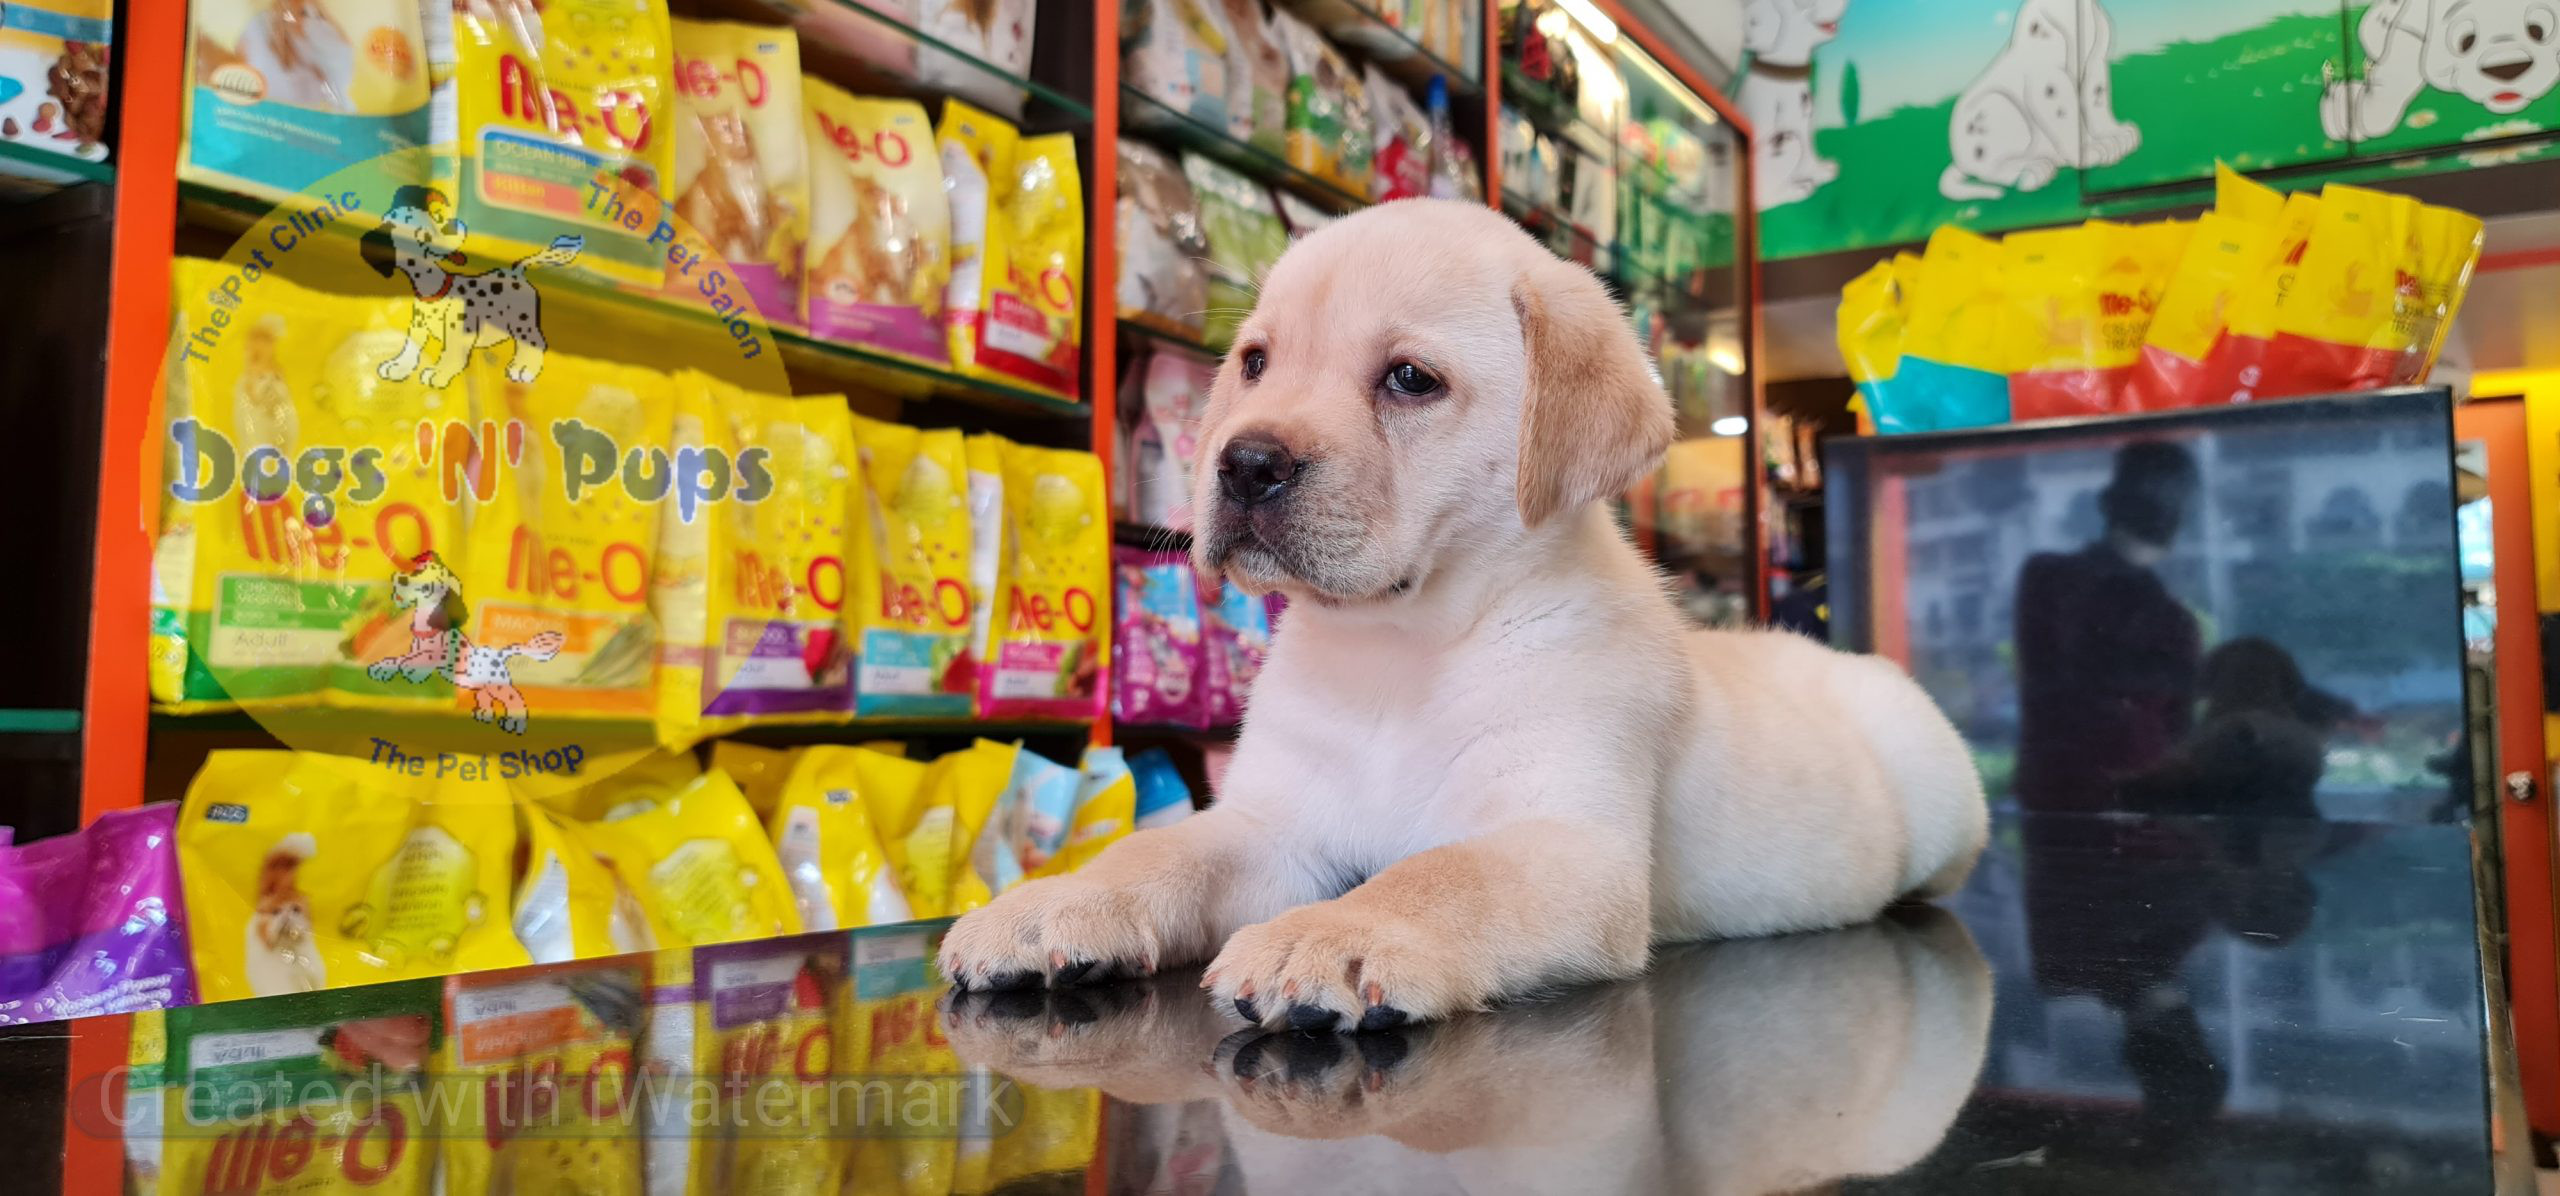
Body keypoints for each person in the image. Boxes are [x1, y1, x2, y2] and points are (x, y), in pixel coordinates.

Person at [2012, 440, 2203, 817]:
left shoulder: (2174, 621)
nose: (2158, 503)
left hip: (2105, 807)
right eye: (2149, 489)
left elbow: (2180, 735)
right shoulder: (2051, 580)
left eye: (2169, 493)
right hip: (2070, 804)